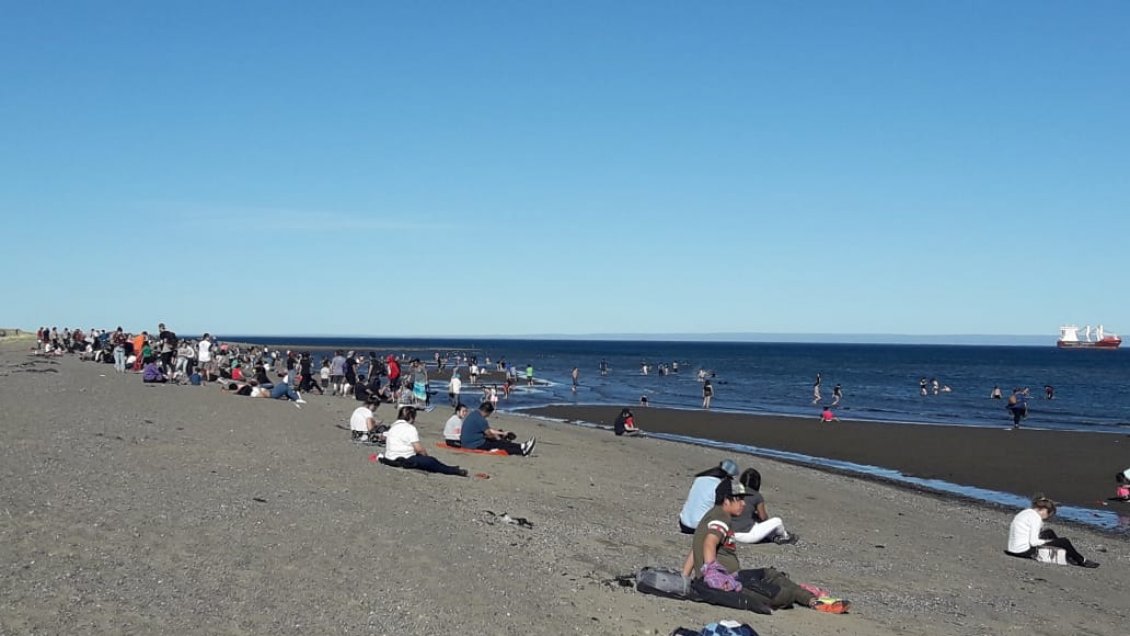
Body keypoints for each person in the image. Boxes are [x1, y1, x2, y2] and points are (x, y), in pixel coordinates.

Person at [692, 480, 848, 613]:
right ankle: (808, 598)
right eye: (739, 499)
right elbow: (709, 543)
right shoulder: (721, 519)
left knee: (770, 573)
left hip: (736, 576)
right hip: (731, 582)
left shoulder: (712, 515)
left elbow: (694, 550)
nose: (743, 504)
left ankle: (811, 598)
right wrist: (713, 574)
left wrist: (685, 578)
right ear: (726, 500)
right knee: (784, 596)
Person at [679, 459, 740, 577]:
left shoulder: (700, 479)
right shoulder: (720, 488)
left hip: (684, 522)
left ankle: (685, 575)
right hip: (698, 525)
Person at [1006, 495, 1099, 568]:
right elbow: (1033, 542)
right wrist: (1048, 542)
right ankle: (1081, 560)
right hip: (1023, 551)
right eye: (1048, 515)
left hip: (1013, 549)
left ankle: (1066, 554)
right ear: (1044, 510)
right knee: (1064, 541)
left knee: (1049, 532)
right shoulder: (1036, 518)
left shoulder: (1026, 512)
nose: (1047, 518)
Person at [379, 406, 468, 477]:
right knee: (431, 461)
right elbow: (418, 449)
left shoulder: (393, 426)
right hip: (404, 459)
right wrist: (426, 456)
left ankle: (452, 468)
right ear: (411, 417)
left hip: (390, 457)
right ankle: (454, 470)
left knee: (429, 461)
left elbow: (384, 437)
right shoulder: (410, 428)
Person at [730, 468, 797, 545]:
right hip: (747, 535)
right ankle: (785, 536)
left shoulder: (734, 492)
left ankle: (774, 538)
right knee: (777, 521)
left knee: (756, 522)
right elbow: (763, 518)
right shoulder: (756, 495)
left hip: (731, 533)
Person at [459, 402, 535, 456]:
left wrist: (502, 433)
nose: (488, 416)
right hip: (473, 445)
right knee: (500, 444)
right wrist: (498, 438)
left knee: (500, 442)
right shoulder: (481, 419)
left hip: (469, 442)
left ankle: (522, 446)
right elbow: (489, 434)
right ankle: (522, 451)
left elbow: (488, 430)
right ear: (487, 412)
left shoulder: (474, 414)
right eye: (489, 414)